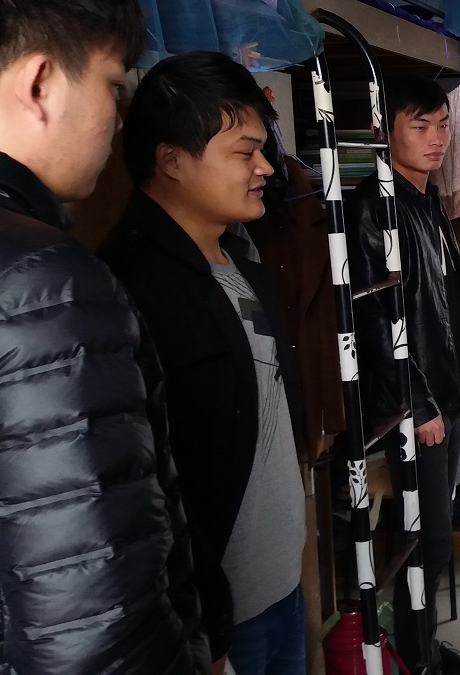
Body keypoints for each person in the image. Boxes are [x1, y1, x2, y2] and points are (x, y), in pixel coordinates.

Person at [0, 0, 205, 672]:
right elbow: (94, 638)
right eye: (113, 84)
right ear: (43, 82)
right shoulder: (38, 287)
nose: (115, 119)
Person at [99, 52, 308, 675]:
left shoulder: (237, 255)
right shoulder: (128, 288)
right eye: (245, 153)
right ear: (171, 161)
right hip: (219, 618)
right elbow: (144, 487)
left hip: (280, 583)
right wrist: (200, 627)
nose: (265, 168)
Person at [347, 75, 460, 675]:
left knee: (434, 531)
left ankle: (421, 649)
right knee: (426, 536)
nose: (436, 139)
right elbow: (374, 320)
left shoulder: (425, 200)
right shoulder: (374, 207)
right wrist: (416, 402)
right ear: (386, 132)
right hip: (417, 401)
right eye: (419, 126)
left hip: (446, 386)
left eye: (442, 125)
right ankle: (417, 657)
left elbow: (445, 300)